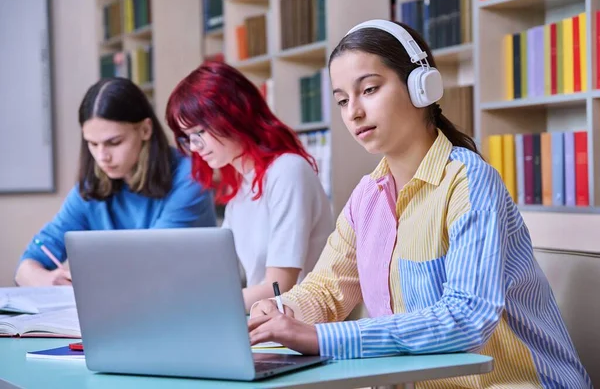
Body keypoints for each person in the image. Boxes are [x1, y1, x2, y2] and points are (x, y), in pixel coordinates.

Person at [248, 20, 592, 388]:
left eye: (369, 90)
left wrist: (321, 339)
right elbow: (327, 289)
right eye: (343, 100)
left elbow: (466, 318)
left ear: (421, 87)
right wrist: (280, 313)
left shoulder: (469, 181)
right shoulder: (367, 197)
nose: (354, 112)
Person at [165, 61, 334, 312]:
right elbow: (221, 274)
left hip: (303, 327)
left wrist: (200, 306)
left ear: (233, 115)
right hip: (266, 323)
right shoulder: (242, 188)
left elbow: (279, 287)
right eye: (187, 137)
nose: (195, 146)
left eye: (199, 131)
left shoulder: (287, 171)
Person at [15, 77, 218, 287]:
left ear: (145, 130)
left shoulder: (189, 176)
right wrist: (44, 278)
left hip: (184, 301)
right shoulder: (91, 187)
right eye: (92, 144)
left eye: (114, 142)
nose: (102, 156)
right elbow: (26, 267)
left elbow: (152, 263)